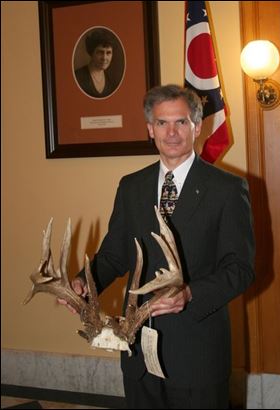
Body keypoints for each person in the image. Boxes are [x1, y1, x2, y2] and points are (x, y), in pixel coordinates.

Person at [59, 84, 255, 409]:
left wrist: (190, 293)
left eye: (181, 122)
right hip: (137, 352)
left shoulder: (228, 190)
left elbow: (240, 269)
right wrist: (85, 282)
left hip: (198, 355)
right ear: (150, 129)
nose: (172, 132)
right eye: (162, 123)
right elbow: (114, 254)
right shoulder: (131, 186)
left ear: (197, 126)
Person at [75, 29, 117, 98]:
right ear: (91, 53)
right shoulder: (78, 77)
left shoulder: (111, 82)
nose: (104, 58)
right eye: (100, 52)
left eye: (108, 52)